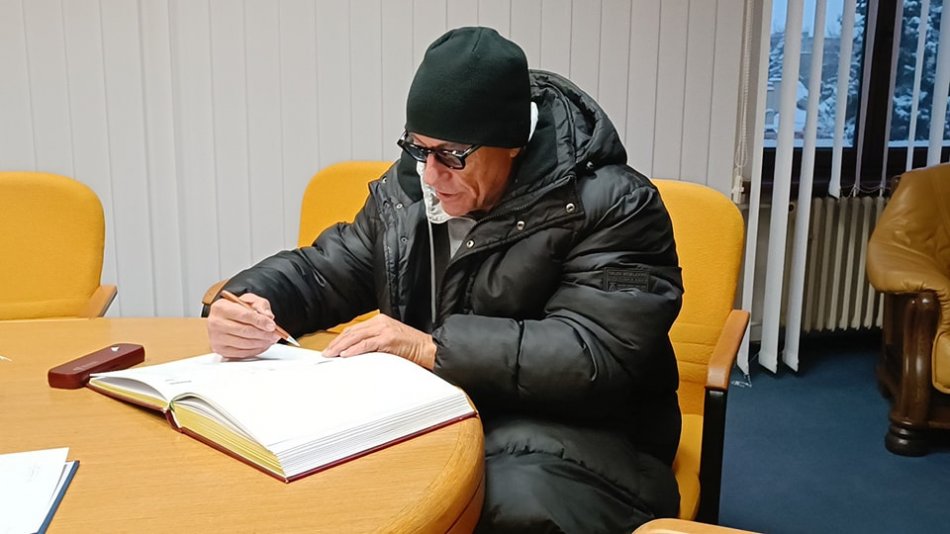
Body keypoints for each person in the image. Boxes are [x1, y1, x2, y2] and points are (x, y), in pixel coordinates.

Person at [207, 26, 683, 533]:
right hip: (446, 414)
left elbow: (593, 354)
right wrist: (251, 300)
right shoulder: (413, 188)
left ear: (512, 144)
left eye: (452, 155)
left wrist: (430, 349)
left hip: (589, 437)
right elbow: (329, 267)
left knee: (494, 506)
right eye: (419, 149)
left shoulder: (614, 206)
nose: (432, 176)